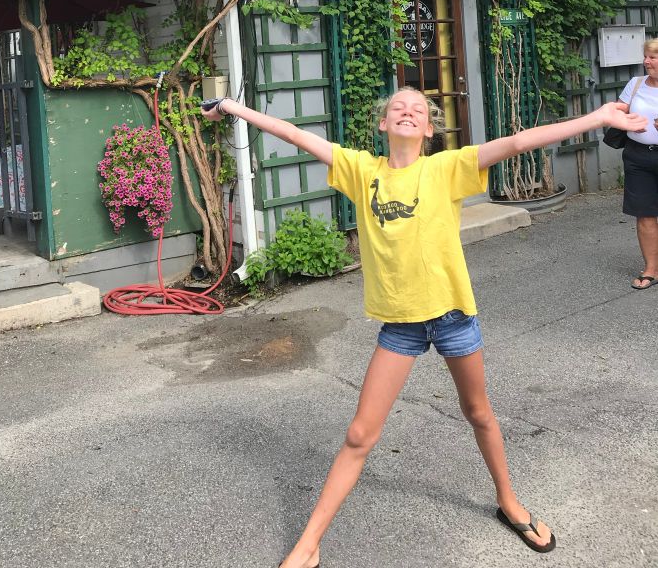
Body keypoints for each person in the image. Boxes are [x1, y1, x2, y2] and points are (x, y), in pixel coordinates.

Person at [202, 88, 646, 562]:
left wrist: (597, 116)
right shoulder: (360, 171)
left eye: (419, 109)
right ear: (383, 124)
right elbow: (291, 133)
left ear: (430, 129)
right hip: (400, 328)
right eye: (398, 107)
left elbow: (520, 142)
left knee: (479, 413)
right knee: (358, 436)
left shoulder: (446, 168)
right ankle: (309, 545)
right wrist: (231, 107)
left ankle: (509, 502)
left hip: (453, 318)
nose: (408, 111)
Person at [616, 37, 658, 290]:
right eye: (645, 56)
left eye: (652, 57)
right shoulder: (636, 84)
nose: (646, 61)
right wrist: (620, 115)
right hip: (638, 156)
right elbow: (620, 110)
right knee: (645, 214)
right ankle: (651, 269)